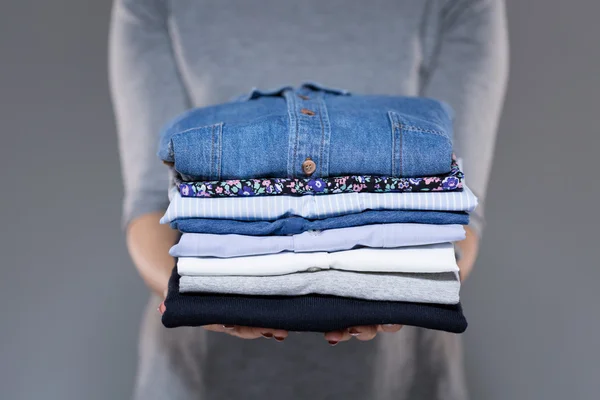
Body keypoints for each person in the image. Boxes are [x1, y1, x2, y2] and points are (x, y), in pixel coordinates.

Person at [109, 0, 508, 399]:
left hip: (400, 379)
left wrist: (409, 291)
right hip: (198, 376)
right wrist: (192, 294)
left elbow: (458, 211)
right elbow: (150, 204)